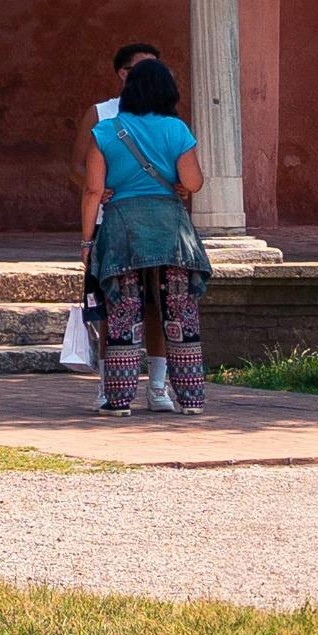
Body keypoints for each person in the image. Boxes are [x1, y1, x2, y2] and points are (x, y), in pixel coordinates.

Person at [80, 56, 209, 416]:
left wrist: (87, 243)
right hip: (171, 230)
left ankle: (118, 400)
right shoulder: (177, 130)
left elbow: (92, 192)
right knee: (180, 313)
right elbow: (195, 183)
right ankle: (191, 398)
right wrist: (180, 185)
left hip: (123, 230)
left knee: (122, 313)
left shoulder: (105, 133)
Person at [85, 41, 172, 408]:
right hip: (115, 224)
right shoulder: (102, 116)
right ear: (124, 74)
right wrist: (98, 192)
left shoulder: (168, 120)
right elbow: (81, 169)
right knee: (114, 306)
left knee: (157, 306)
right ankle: (110, 386)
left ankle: (156, 386)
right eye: (144, 69)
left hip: (157, 229)